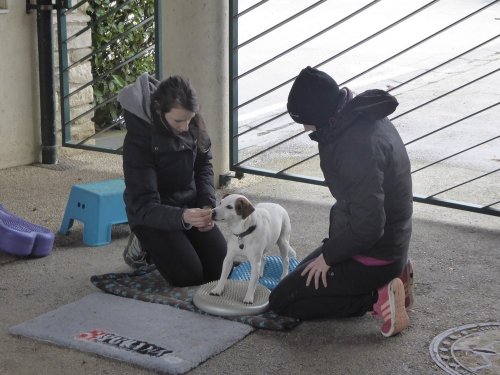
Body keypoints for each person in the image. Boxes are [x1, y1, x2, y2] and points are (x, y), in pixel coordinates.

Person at [268, 66, 414, 337]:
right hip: (380, 241)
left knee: (283, 301)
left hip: (375, 250)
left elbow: (370, 225)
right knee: (299, 277)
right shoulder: (354, 117)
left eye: (305, 120)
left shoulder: (356, 146)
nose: (305, 128)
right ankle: (395, 275)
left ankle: (378, 296)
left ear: (321, 114)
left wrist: (330, 256)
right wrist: (330, 253)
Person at [117, 73, 227, 287]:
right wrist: (183, 217)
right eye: (178, 120)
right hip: (151, 215)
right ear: (158, 109)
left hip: (189, 206)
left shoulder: (193, 124)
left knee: (220, 269)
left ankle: (180, 241)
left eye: (190, 118)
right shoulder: (138, 140)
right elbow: (143, 204)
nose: (186, 127)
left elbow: (204, 165)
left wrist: (206, 204)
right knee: (189, 277)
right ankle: (141, 244)